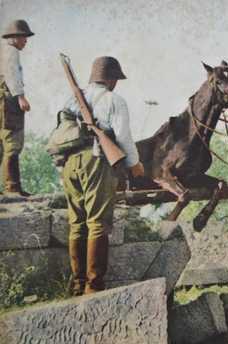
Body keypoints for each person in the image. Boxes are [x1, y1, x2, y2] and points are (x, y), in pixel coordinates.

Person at [62, 56, 144, 295]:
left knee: (77, 223)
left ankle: (77, 283)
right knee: (98, 223)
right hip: (96, 160)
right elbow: (124, 138)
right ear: (111, 79)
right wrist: (135, 165)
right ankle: (93, 286)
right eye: (116, 79)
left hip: (69, 163)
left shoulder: (71, 100)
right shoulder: (113, 100)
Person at [0, 20, 35, 196]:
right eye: (23, 37)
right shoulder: (11, 51)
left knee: (2, 142)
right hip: (9, 100)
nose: (25, 41)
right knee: (13, 142)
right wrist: (20, 97)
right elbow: (12, 74)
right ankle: (12, 187)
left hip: (2, 100)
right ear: (15, 37)